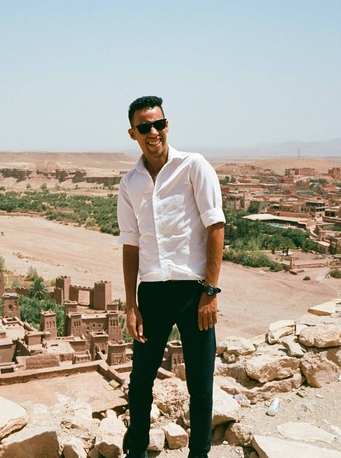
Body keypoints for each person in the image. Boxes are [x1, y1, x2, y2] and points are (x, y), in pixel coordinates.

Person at [118, 95, 225, 458]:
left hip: (194, 293)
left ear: (167, 125)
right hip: (152, 294)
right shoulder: (129, 183)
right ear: (133, 133)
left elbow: (215, 226)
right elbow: (130, 244)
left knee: (200, 383)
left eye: (159, 124)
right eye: (144, 127)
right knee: (140, 381)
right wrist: (130, 305)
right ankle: (137, 451)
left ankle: (199, 454)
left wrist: (210, 291)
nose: (154, 132)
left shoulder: (193, 166)